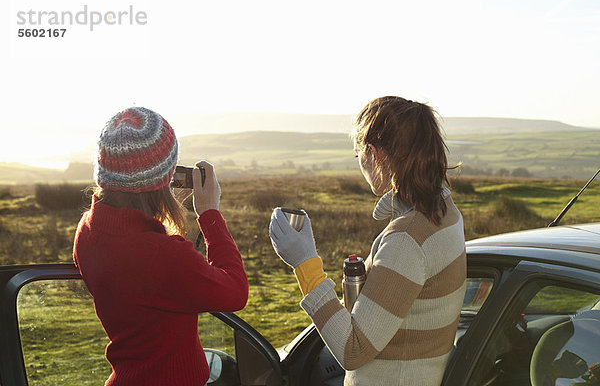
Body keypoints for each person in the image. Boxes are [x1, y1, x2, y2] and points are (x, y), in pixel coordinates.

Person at [269, 96, 466, 386]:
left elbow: (353, 351)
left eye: (357, 154)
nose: (359, 164)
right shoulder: (445, 211)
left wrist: (305, 263)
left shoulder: (407, 239)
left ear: (375, 154)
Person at [73, 107, 248, 386]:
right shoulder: (163, 255)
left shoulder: (87, 230)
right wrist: (209, 213)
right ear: (165, 177)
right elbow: (236, 292)